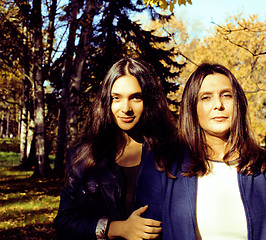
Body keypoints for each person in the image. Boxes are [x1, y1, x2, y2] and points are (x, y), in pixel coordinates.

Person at [136, 63, 266, 239]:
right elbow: (147, 233)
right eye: (206, 97)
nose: (218, 105)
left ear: (238, 104)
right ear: (192, 107)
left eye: (227, 95)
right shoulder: (163, 164)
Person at [54, 58, 177, 239]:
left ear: (149, 101)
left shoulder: (172, 154)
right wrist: (116, 228)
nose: (125, 108)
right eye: (116, 98)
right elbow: (64, 223)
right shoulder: (83, 156)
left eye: (136, 97)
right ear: (107, 102)